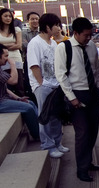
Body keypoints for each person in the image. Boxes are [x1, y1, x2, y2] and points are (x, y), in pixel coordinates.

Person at [55, 17, 99, 182]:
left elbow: (96, 69)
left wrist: (97, 88)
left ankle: (88, 161)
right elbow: (61, 75)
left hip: (93, 93)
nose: (89, 38)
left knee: (93, 130)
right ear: (75, 33)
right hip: (77, 93)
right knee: (82, 133)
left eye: (91, 35)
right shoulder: (64, 48)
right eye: (85, 35)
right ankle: (81, 169)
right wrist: (72, 98)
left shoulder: (91, 47)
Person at [0, 43, 39, 140]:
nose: (8, 59)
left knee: (30, 103)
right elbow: (13, 81)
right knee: (28, 108)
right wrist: (13, 65)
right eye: (6, 56)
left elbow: (5, 89)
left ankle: (42, 130)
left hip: (0, 99)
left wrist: (18, 98)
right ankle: (38, 135)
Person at [28, 13, 69, 159]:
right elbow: (34, 65)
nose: (58, 28)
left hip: (55, 85)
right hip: (43, 86)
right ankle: (48, 145)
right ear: (47, 27)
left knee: (57, 115)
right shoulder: (35, 43)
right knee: (45, 116)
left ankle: (58, 143)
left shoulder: (53, 43)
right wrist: (41, 84)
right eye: (56, 25)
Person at [0, 8, 25, 97]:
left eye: (10, 16)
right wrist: (11, 44)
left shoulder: (17, 29)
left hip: (16, 59)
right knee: (6, 85)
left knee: (19, 85)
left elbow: (18, 45)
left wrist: (2, 45)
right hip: (2, 60)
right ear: (0, 17)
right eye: (5, 16)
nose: (8, 18)